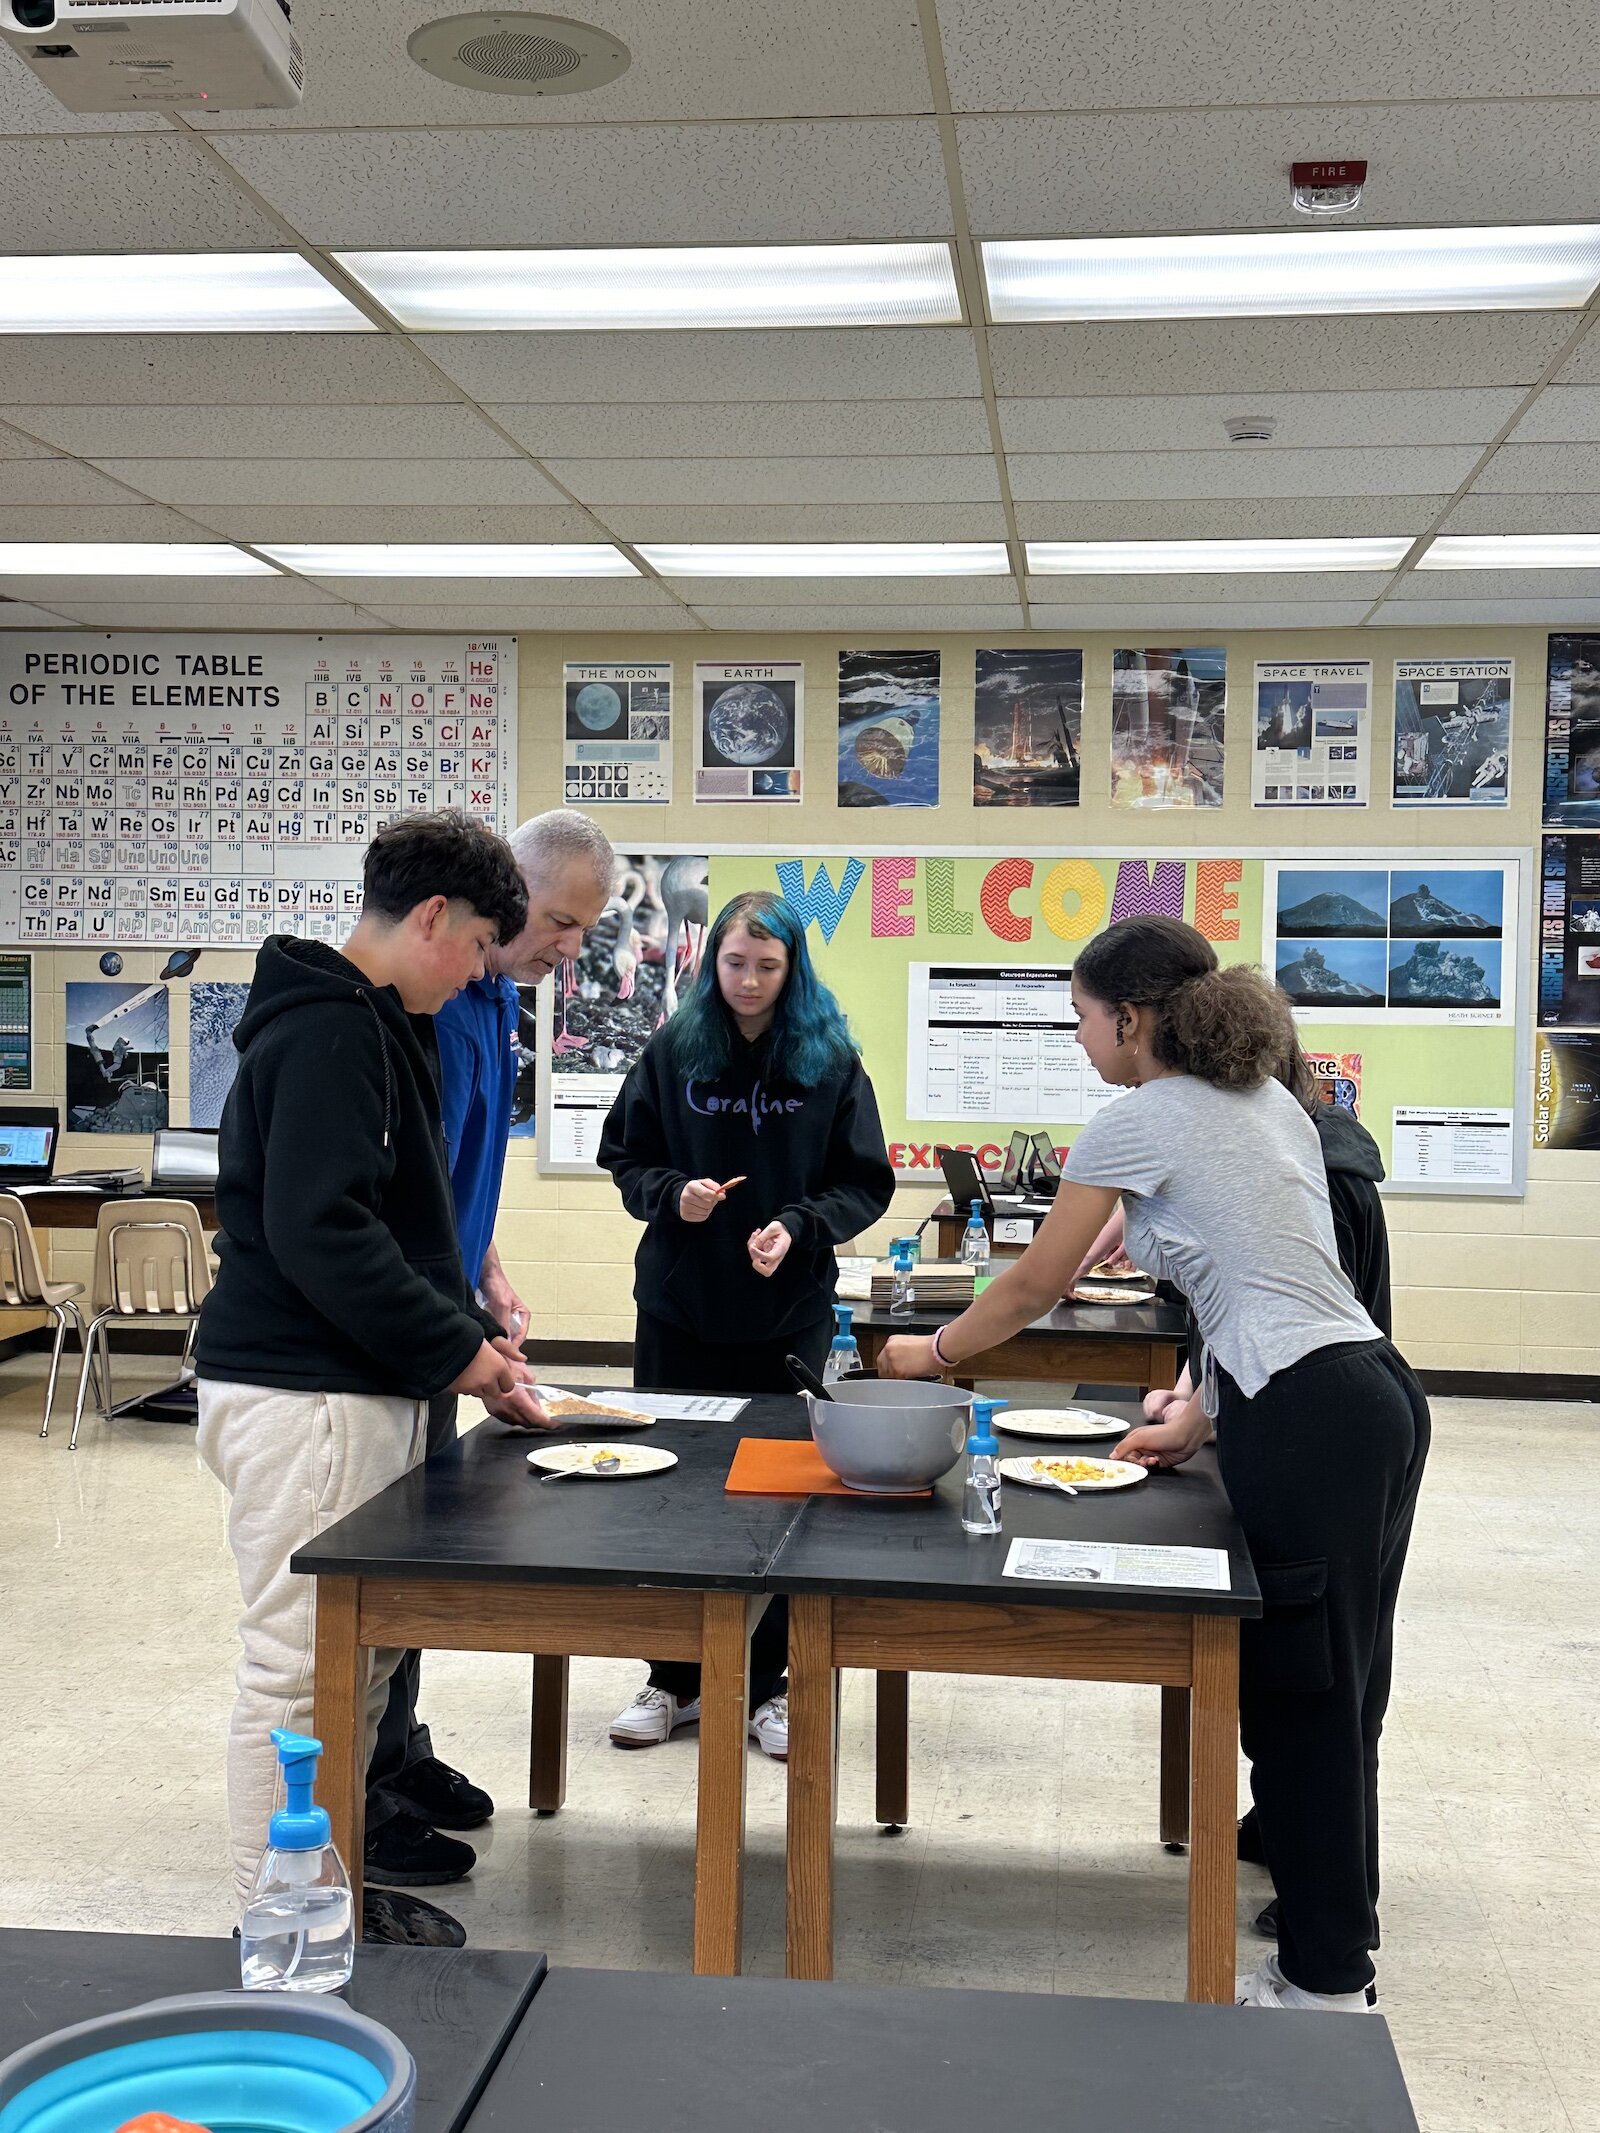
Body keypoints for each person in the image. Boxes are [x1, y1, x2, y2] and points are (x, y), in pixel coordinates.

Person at [880, 916, 1429, 2014]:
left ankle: (1326, 1981)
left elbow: (1033, 1287)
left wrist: (929, 1353)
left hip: (1309, 1416)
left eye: (1081, 1019)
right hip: (1371, 1393)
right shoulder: (1271, 1100)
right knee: (1344, 1683)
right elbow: (1272, 1276)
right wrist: (1202, 1417)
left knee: (1301, 1699)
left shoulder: (1138, 1119)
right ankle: (1334, 1933)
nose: (1080, 1041)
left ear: (1130, 1020)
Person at [196, 810, 540, 1943]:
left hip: (360, 1391)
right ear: (433, 916)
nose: (487, 969)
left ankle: (324, 1879)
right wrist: (459, 1350)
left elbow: (409, 1232)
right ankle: (280, 1914)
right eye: (484, 943)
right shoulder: (331, 1032)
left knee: (363, 1658)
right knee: (298, 1671)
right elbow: (323, 1233)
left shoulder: (378, 1024)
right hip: (308, 1398)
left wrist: (473, 1340)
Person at [362, 811, 614, 1917]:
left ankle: (397, 1746)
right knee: (368, 1568)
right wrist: (454, 1327)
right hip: (395, 1333)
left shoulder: (496, 995)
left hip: (450, 1312)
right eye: (557, 920)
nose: (567, 947)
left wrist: (490, 1265)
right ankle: (360, 1791)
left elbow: (447, 1163)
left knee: (414, 1562)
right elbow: (376, 1194)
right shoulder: (416, 1000)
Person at [597, 889, 895, 1758]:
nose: (750, 981)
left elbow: (863, 1182)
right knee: (672, 1488)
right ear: (710, 962)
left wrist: (800, 1224)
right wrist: (671, 1195)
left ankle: (770, 1684)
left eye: (769, 966)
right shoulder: (672, 1048)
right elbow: (625, 1155)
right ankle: (675, 1677)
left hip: (785, 1313)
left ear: (793, 968)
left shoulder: (831, 1060)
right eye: (735, 963)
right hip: (680, 1310)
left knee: (782, 1496)